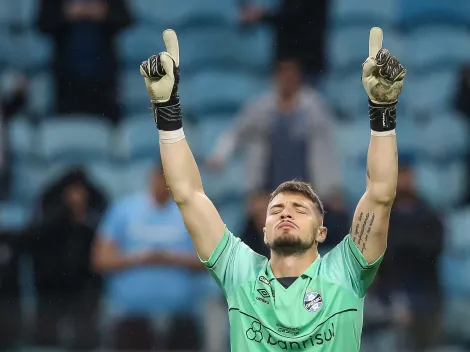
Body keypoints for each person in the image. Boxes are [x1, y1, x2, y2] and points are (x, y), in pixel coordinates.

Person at [139, 27, 406, 351]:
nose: (286, 213)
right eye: (276, 208)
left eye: (300, 208)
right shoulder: (240, 271)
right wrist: (167, 110)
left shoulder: (345, 271)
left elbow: (380, 195)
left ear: (322, 232)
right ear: (263, 230)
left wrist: (383, 113)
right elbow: (187, 194)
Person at [92, 165, 204, 351]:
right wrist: (137, 258)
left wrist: (170, 258)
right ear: (151, 178)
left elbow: (212, 261)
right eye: (160, 178)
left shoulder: (193, 213)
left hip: (181, 318)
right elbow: (100, 259)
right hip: (130, 317)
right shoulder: (123, 210)